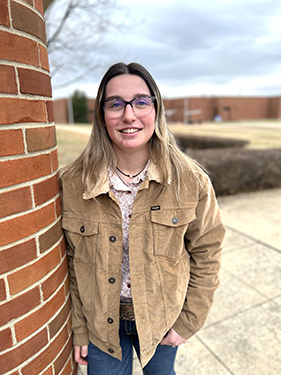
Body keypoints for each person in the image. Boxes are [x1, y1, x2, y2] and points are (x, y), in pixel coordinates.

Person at [61, 62, 225, 375]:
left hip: (162, 320)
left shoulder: (190, 181)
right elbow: (69, 260)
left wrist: (189, 320)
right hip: (100, 326)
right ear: (101, 115)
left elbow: (208, 251)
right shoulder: (72, 184)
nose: (128, 115)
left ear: (156, 109)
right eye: (115, 104)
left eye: (140, 101)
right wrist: (79, 328)